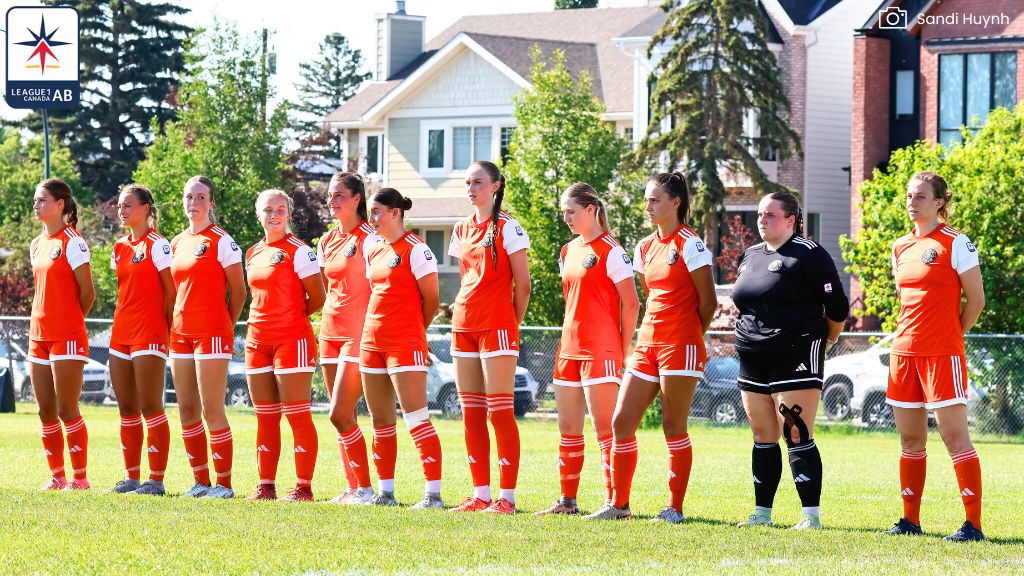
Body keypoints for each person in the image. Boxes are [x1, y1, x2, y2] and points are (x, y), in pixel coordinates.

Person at [587, 172, 717, 523]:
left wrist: (690, 334)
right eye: (646, 200)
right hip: (647, 344)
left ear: (675, 202)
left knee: (673, 426)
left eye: (655, 200)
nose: (648, 206)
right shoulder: (644, 247)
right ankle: (619, 505)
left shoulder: (690, 244)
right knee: (621, 422)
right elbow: (650, 295)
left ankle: (674, 508)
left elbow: (709, 302)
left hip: (681, 345)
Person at [731, 191, 849, 530]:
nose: (762, 220)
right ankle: (761, 514)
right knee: (762, 434)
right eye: (760, 214)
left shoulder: (809, 253)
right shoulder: (750, 255)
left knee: (796, 431)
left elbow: (837, 307)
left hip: (796, 351)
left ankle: (810, 516)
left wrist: (826, 341)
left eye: (770, 214)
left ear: (791, 220)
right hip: (753, 356)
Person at [883, 171, 986, 542]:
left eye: (921, 196)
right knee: (910, 440)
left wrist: (951, 336)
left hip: (942, 354)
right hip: (903, 353)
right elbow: (905, 301)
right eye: (910, 195)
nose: (912, 202)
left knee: (955, 438)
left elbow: (976, 301)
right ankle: (910, 520)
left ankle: (973, 525)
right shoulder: (900, 246)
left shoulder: (956, 243)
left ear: (939, 202)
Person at [537, 183, 639, 516]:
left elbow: (631, 303)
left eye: (571, 211)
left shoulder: (612, 250)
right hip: (567, 350)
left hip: (601, 351)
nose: (566, 217)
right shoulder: (567, 251)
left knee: (605, 431)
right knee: (568, 430)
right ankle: (568, 501)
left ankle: (616, 504)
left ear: (590, 209)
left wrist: (620, 349)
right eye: (564, 212)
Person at [446, 160, 531, 514]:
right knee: (471, 412)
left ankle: (506, 498)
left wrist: (511, 323)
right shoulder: (461, 228)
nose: (471, 188)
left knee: (500, 411)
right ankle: (480, 494)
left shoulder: (508, 227)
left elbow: (523, 286)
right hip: (463, 326)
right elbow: (465, 277)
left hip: (497, 327)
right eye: (468, 183)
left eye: (478, 182)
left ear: (495, 186)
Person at [360, 188, 443, 509]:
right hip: (371, 342)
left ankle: (432, 495)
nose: (372, 219)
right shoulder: (372, 247)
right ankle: (386, 493)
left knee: (416, 418)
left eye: (377, 212)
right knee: (380, 420)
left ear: (395, 213)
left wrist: (413, 331)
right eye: (371, 212)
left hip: (405, 343)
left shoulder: (417, 249)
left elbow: (431, 300)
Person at [245, 190, 326, 502]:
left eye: (280, 209)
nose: (274, 215)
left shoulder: (299, 251)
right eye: (268, 210)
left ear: (288, 214)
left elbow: (317, 297)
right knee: (265, 416)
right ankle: (265, 486)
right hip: (256, 341)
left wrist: (289, 317)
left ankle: (303, 488)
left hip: (293, 340)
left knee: (297, 414)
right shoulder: (252, 253)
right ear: (258, 215)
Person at [169, 175, 246, 498]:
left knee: (212, 409)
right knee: (187, 410)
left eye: (201, 197)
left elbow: (239, 292)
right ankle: (200, 482)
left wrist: (224, 325)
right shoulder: (176, 242)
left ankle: (224, 485)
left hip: (212, 334)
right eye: (189, 197)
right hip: (180, 333)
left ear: (211, 203)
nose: (194, 203)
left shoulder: (222, 241)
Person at [317, 172, 382, 504]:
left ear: (357, 198)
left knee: (339, 413)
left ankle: (366, 489)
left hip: (358, 335)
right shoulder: (326, 240)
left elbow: (383, 287)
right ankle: (351, 487)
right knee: (343, 416)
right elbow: (326, 288)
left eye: (339, 194)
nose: (333, 200)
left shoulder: (371, 238)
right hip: (329, 333)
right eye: (330, 194)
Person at [28, 178, 96, 491]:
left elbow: (87, 293)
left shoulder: (73, 242)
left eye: (42, 200)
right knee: (45, 411)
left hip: (67, 336)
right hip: (38, 336)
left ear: (60, 205)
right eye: (35, 200)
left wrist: (68, 320)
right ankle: (57, 477)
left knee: (66, 409)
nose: (36, 205)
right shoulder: (36, 244)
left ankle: (80, 479)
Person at [108, 184, 175, 496]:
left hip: (149, 333)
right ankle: (131, 478)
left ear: (145, 208)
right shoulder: (119, 247)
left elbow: (172, 294)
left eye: (128, 205)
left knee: (151, 406)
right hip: (120, 334)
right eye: (120, 206)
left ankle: (155, 481)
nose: (122, 210)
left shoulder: (158, 245)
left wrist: (167, 332)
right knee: (127, 408)